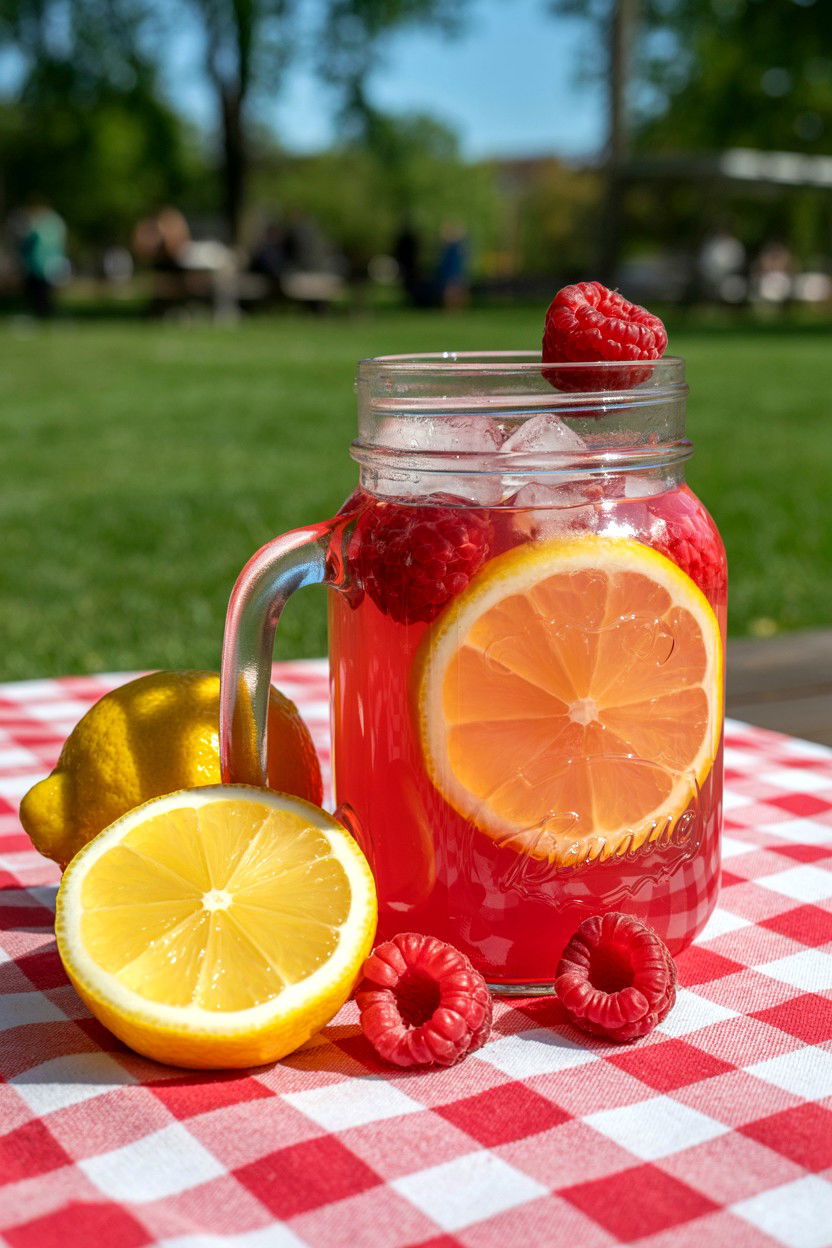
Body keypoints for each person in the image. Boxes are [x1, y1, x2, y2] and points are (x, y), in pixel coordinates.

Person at [18, 198, 68, 318]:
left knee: (40, 290)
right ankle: (45, 312)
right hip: (51, 261)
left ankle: (42, 312)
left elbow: (31, 239)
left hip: (41, 263)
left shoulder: (41, 222)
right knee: (47, 291)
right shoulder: (57, 221)